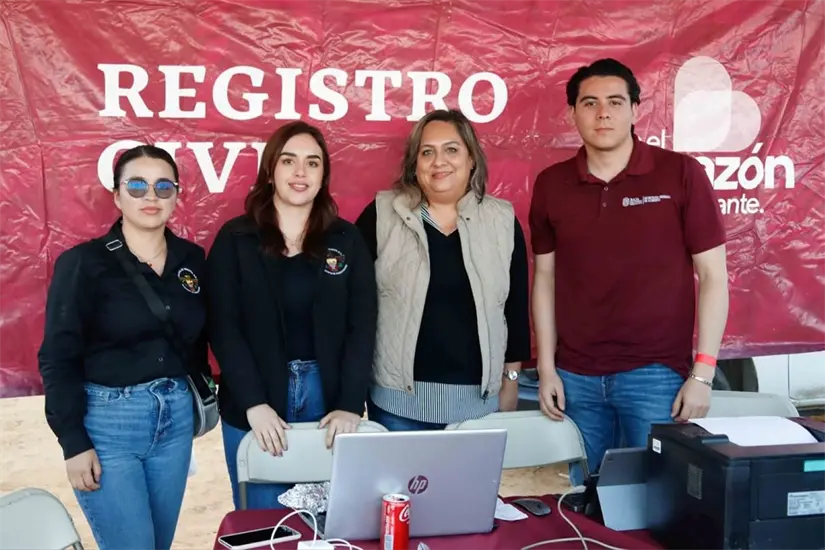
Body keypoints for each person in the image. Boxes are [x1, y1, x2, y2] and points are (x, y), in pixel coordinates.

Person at [529, 58, 729, 485]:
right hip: (575, 377)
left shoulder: (681, 174)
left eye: (616, 102)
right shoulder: (551, 184)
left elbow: (713, 277)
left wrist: (703, 374)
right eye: (590, 103)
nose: (603, 113)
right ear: (572, 113)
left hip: (656, 376)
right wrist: (547, 368)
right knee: (589, 498)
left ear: (636, 110)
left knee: (658, 503)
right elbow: (544, 279)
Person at [38, 145, 208, 550]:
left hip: (176, 422)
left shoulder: (192, 259)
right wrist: (73, 441)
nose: (151, 196)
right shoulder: (83, 264)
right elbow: (57, 357)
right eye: (137, 185)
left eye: (163, 186)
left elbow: (206, 334)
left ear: (177, 195)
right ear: (116, 195)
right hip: (109, 424)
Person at [207, 121, 377, 510]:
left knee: (328, 520)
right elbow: (223, 327)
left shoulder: (346, 240)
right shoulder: (235, 240)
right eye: (289, 161)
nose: (300, 173)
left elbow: (362, 326)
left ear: (323, 176)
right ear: (271, 171)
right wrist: (254, 402)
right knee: (264, 524)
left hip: (328, 399)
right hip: (257, 397)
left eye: (312, 163)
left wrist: (350, 403)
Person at [355, 109, 531, 431]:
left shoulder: (502, 221)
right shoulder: (381, 215)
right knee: (401, 484)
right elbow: (353, 308)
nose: (440, 162)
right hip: (396, 406)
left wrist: (512, 380)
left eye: (451, 150)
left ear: (471, 159)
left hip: (478, 407)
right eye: (427, 152)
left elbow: (515, 310)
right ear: (414, 164)